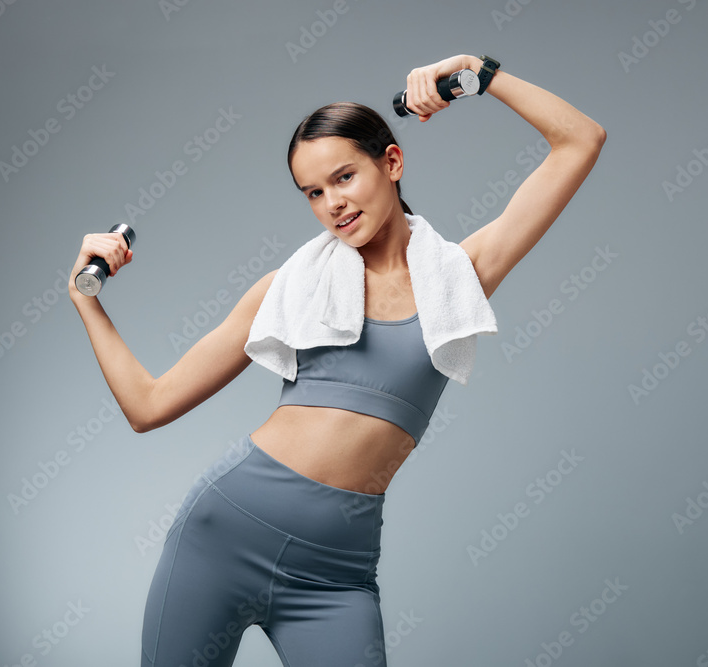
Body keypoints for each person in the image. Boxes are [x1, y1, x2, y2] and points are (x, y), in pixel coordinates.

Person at [68, 53, 605, 667]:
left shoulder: (460, 277)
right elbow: (148, 405)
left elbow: (579, 140)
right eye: (314, 193)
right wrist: (84, 302)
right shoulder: (288, 286)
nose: (332, 204)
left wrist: (483, 75)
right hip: (221, 536)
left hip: (336, 574)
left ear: (392, 163)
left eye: (344, 178)